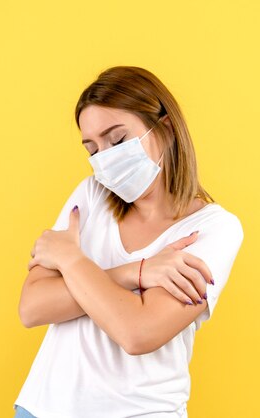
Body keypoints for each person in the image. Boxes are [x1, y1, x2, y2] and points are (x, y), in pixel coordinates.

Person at [13, 66, 244, 418]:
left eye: (117, 140)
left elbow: (137, 332)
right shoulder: (91, 195)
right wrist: (133, 273)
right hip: (44, 407)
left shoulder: (214, 229)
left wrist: (72, 261)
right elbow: (32, 308)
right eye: (92, 149)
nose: (103, 158)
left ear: (165, 127)